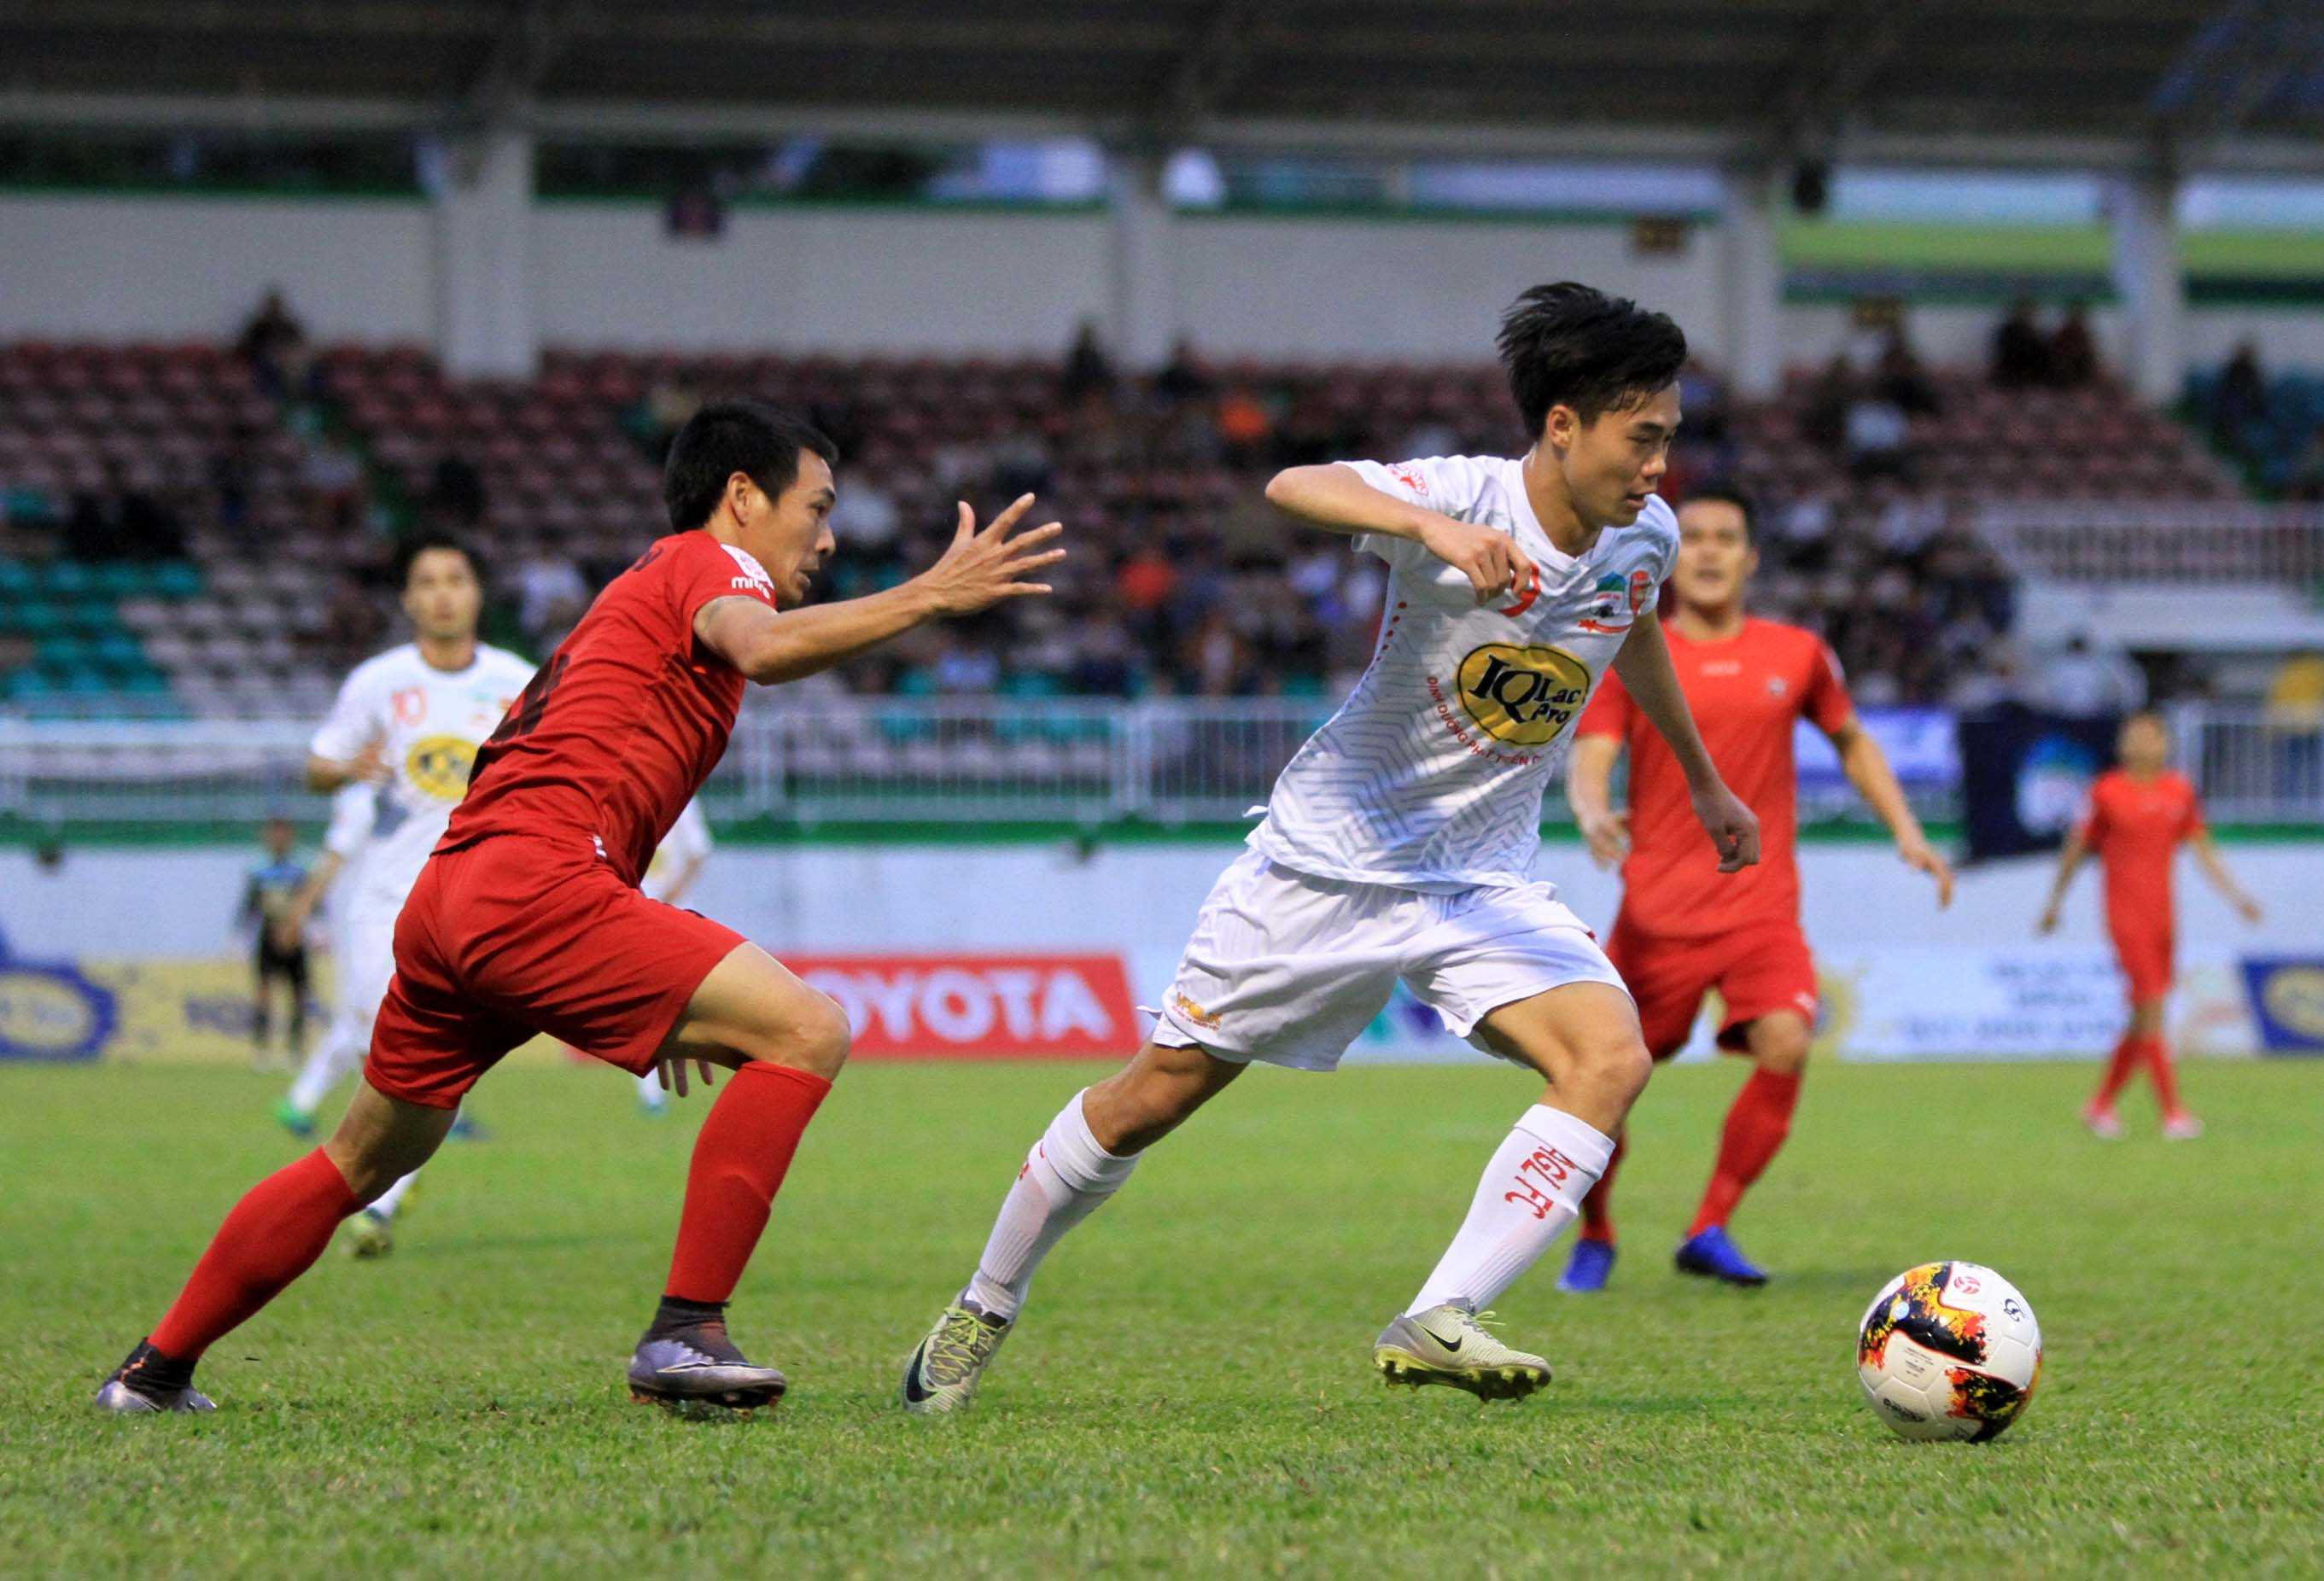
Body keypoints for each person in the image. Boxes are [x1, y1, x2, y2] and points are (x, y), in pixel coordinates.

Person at [96, 401, 1064, 1413]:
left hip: (457, 892)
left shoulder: (647, 585)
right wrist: (930, 593)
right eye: (816, 508)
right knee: (806, 1030)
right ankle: (685, 1331)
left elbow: (584, 766)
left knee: (364, 1156)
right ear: (742, 496)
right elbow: (765, 650)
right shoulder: (713, 565)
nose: (827, 537)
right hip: (536, 886)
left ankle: (151, 1373)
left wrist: (653, 970)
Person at [897, 283, 1761, 1415]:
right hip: (1327, 867)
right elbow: (1293, 485)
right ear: (1564, 425)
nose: (1659, 467)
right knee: (1157, 1094)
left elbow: (1632, 626)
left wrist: (1701, 778)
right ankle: (985, 1301)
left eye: (1669, 439)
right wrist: (1429, 529)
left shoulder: (1645, 537)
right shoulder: (1466, 494)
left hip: (1478, 877)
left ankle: (1439, 1315)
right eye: (1641, 438)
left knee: (1609, 1059)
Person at [1554, 486, 1956, 1293]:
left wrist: (1908, 831)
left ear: (1751, 558)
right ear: (1672, 559)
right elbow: (1593, 752)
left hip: (1760, 910)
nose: (1708, 550)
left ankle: (1709, 1226)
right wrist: (1592, 812)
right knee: (1604, 1078)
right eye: (1695, 536)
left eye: (1726, 537)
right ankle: (1595, 1232)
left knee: (1787, 1042)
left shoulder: (1798, 653)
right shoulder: (1634, 650)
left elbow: (1853, 742)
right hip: (1658, 914)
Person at [269, 534, 538, 1263]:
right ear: (408, 599)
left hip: (479, 894)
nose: (443, 593)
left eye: (456, 578)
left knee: (440, 1049)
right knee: (372, 1035)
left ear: (477, 593)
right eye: (428, 582)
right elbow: (317, 768)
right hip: (387, 892)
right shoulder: (378, 682)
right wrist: (344, 769)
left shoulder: (519, 681)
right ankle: (386, 1182)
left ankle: (382, 1199)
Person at [2038, 711, 2262, 1141]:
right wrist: (2054, 902)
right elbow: (2077, 848)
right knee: (2152, 1006)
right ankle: (2173, 1114)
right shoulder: (2106, 791)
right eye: (2132, 737)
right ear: (2121, 744)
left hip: (2164, 918)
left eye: (2149, 737)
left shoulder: (2180, 791)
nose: (2140, 744)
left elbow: (2202, 850)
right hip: (2125, 917)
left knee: (2144, 1016)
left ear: (2165, 744)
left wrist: (2237, 897)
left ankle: (2100, 1105)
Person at [636, 802, 717, 1116]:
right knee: (644, 1008)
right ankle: (651, 1095)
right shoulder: (623, 794)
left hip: (675, 918)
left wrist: (672, 894)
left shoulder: (683, 800)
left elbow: (698, 853)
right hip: (634, 917)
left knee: (673, 1003)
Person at [237, 817, 315, 1075]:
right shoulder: (258, 868)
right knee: (263, 994)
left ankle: (295, 1050)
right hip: (268, 936)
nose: (279, 838)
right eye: (275, 833)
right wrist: (239, 937)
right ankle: (262, 1050)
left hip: (295, 935)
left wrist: (316, 929)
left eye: (284, 832)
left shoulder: (302, 867)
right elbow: (248, 905)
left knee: (299, 994)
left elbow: (313, 901)